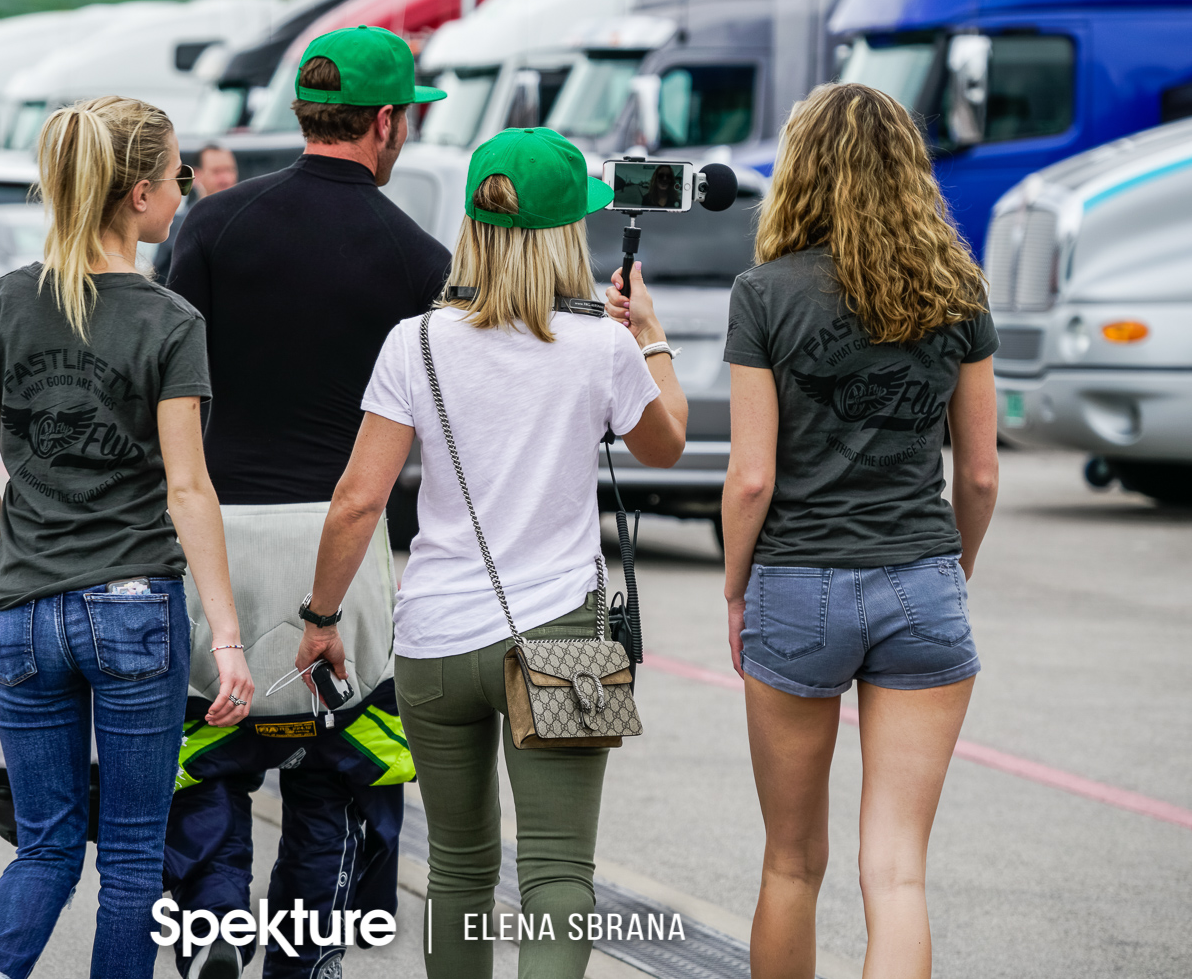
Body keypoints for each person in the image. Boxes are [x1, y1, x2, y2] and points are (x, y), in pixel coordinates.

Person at [296, 127, 689, 979]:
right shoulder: (601, 344)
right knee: (554, 870)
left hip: (436, 637)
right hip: (563, 635)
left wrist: (322, 616)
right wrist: (650, 333)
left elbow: (359, 500)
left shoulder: (416, 341)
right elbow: (665, 447)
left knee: (460, 870)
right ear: (564, 235)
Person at [162, 24, 450, 979]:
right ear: (383, 123)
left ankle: (210, 923)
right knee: (337, 768)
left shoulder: (211, 223)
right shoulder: (416, 257)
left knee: (210, 752)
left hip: (222, 531)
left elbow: (177, 393)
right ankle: (304, 955)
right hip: (345, 540)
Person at [0, 95, 253, 979]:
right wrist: (227, 637)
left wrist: (15, 566)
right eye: (177, 178)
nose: (184, 193)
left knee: (44, 847)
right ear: (136, 194)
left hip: (24, 612)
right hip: (133, 608)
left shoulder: (4, 302)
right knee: (129, 856)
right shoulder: (169, 322)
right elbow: (189, 488)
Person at [721, 82, 1000, 979]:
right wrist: (949, 569)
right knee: (898, 874)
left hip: (797, 584)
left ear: (800, 172)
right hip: (921, 576)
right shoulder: (958, 293)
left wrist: (736, 588)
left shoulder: (763, 294)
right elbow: (984, 473)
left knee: (791, 862)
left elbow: (752, 475)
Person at [151, 142, 238, 279]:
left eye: (229, 170)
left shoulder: (249, 219)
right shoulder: (179, 226)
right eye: (217, 172)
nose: (225, 179)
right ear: (197, 175)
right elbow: (161, 279)